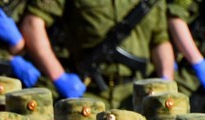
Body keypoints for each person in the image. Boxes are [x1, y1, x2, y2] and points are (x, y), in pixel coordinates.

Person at [21, 0, 174, 107]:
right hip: (87, 96)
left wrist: (166, 82)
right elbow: (32, 24)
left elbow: (160, 40)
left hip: (137, 97)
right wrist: (59, 77)